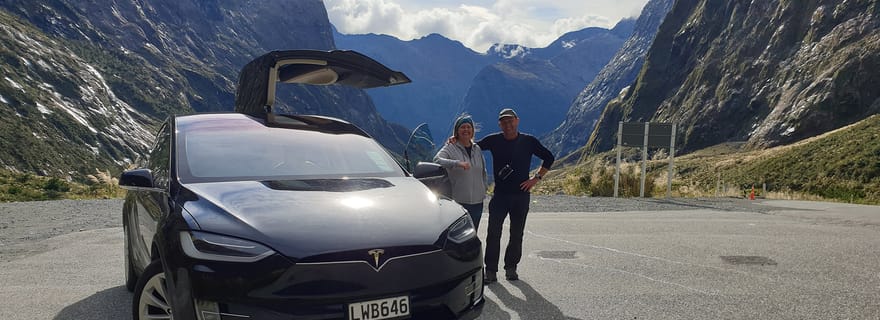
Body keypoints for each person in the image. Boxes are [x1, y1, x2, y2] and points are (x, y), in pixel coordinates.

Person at [477, 108, 554, 283]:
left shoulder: (529, 141)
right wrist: (456, 139)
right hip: (500, 196)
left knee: (516, 234)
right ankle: (490, 271)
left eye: (510, 121)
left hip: (521, 196)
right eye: (504, 122)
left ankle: (511, 268)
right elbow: (472, 147)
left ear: (517, 121)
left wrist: (536, 179)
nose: (508, 124)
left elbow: (549, 157)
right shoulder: (493, 140)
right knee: (493, 234)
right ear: (500, 124)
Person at [434, 114, 489, 230]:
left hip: (477, 202)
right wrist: (457, 163)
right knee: (459, 235)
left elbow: (483, 170)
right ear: (457, 131)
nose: (466, 130)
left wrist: (484, 188)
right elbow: (437, 160)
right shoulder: (450, 147)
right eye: (462, 127)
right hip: (459, 202)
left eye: (469, 127)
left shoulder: (477, 149)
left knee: (473, 233)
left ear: (473, 130)